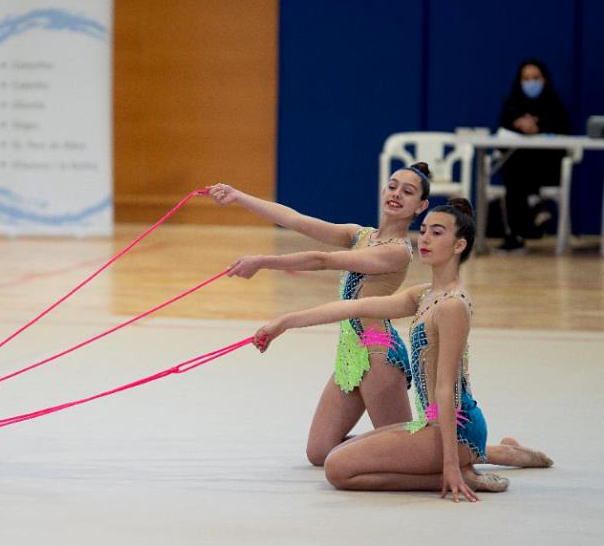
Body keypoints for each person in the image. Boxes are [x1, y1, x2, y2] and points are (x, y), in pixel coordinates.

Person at [253, 199, 552, 502]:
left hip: (457, 429)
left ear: (459, 244)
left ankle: (459, 472)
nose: (424, 239)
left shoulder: (452, 305)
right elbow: (353, 306)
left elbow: (446, 388)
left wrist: (449, 464)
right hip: (430, 425)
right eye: (423, 231)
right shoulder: (424, 294)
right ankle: (494, 456)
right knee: (333, 455)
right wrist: (284, 322)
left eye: (437, 233)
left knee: (338, 469)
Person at [209, 163, 430, 466]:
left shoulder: (397, 251)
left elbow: (323, 260)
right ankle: (399, 443)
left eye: (408, 192)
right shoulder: (360, 235)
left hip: (379, 353)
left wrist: (262, 261)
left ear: (421, 206)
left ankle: (486, 452)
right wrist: (239, 196)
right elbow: (296, 220)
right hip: (351, 351)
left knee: (408, 452)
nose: (396, 194)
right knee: (320, 452)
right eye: (393, 186)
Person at [497, 58, 571, 251]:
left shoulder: (554, 104)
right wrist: (519, 125)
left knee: (519, 168)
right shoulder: (512, 102)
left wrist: (538, 129)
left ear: (544, 79)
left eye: (535, 78)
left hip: (546, 167)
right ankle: (533, 203)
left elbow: (563, 131)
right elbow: (502, 130)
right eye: (526, 78)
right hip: (517, 168)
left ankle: (517, 233)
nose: (531, 83)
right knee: (515, 165)